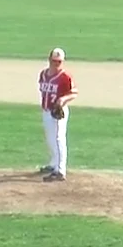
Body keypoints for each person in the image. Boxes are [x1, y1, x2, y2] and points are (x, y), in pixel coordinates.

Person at [37, 48, 78, 183]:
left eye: (59, 62)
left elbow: (74, 93)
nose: (57, 64)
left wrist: (62, 100)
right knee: (50, 139)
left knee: (59, 138)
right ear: (49, 60)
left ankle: (60, 170)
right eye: (54, 61)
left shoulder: (65, 77)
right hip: (46, 111)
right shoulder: (43, 74)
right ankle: (53, 163)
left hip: (58, 113)